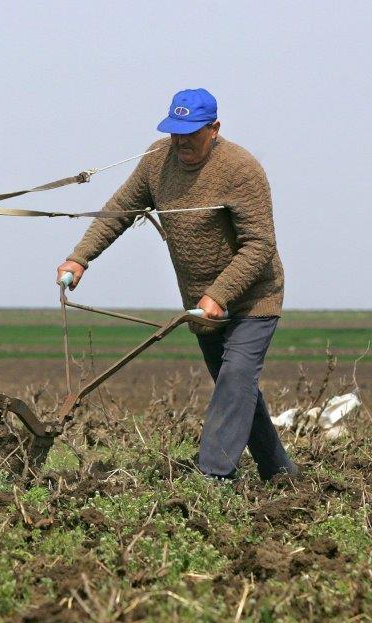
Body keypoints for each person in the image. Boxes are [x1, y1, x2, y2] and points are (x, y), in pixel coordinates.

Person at [56, 88, 298, 481]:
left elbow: (260, 245)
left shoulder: (241, 169)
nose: (182, 141)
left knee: (236, 377)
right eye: (175, 132)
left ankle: (214, 476)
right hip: (199, 305)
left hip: (254, 297)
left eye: (192, 132)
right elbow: (119, 211)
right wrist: (80, 257)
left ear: (214, 128)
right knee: (233, 387)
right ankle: (281, 474)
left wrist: (220, 294)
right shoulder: (158, 160)